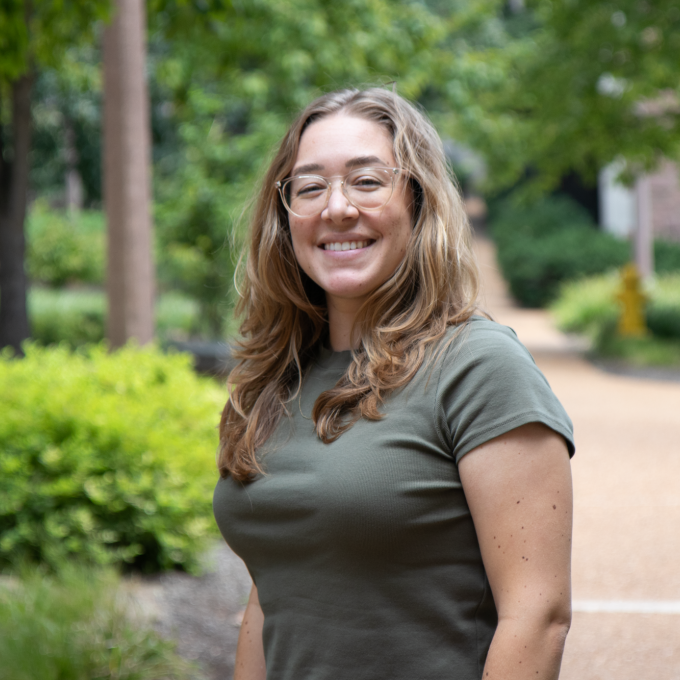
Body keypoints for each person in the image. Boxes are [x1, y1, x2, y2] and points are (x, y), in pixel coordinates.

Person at [213, 87, 574, 680]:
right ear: (285, 217)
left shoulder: (478, 368)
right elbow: (269, 599)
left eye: (366, 180)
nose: (336, 208)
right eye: (309, 186)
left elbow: (538, 616)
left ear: (417, 198)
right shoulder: (273, 377)